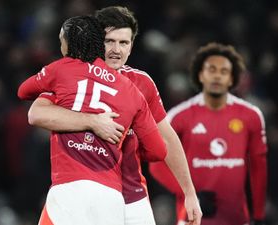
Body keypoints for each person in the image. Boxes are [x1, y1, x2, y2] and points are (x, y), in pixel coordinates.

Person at [27, 6, 202, 225]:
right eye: (109, 41)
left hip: (132, 196)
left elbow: (167, 138)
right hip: (82, 188)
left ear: (132, 46)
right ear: (96, 40)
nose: (116, 50)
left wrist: (189, 193)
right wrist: (92, 122)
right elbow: (37, 112)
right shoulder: (73, 73)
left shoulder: (142, 83)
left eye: (123, 43)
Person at [149, 42, 268, 225]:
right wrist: (190, 193)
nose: (217, 76)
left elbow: (258, 167)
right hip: (191, 218)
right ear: (200, 75)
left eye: (223, 71)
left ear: (232, 78)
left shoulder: (251, 116)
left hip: (236, 219)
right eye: (211, 70)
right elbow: (157, 164)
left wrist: (259, 213)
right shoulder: (179, 117)